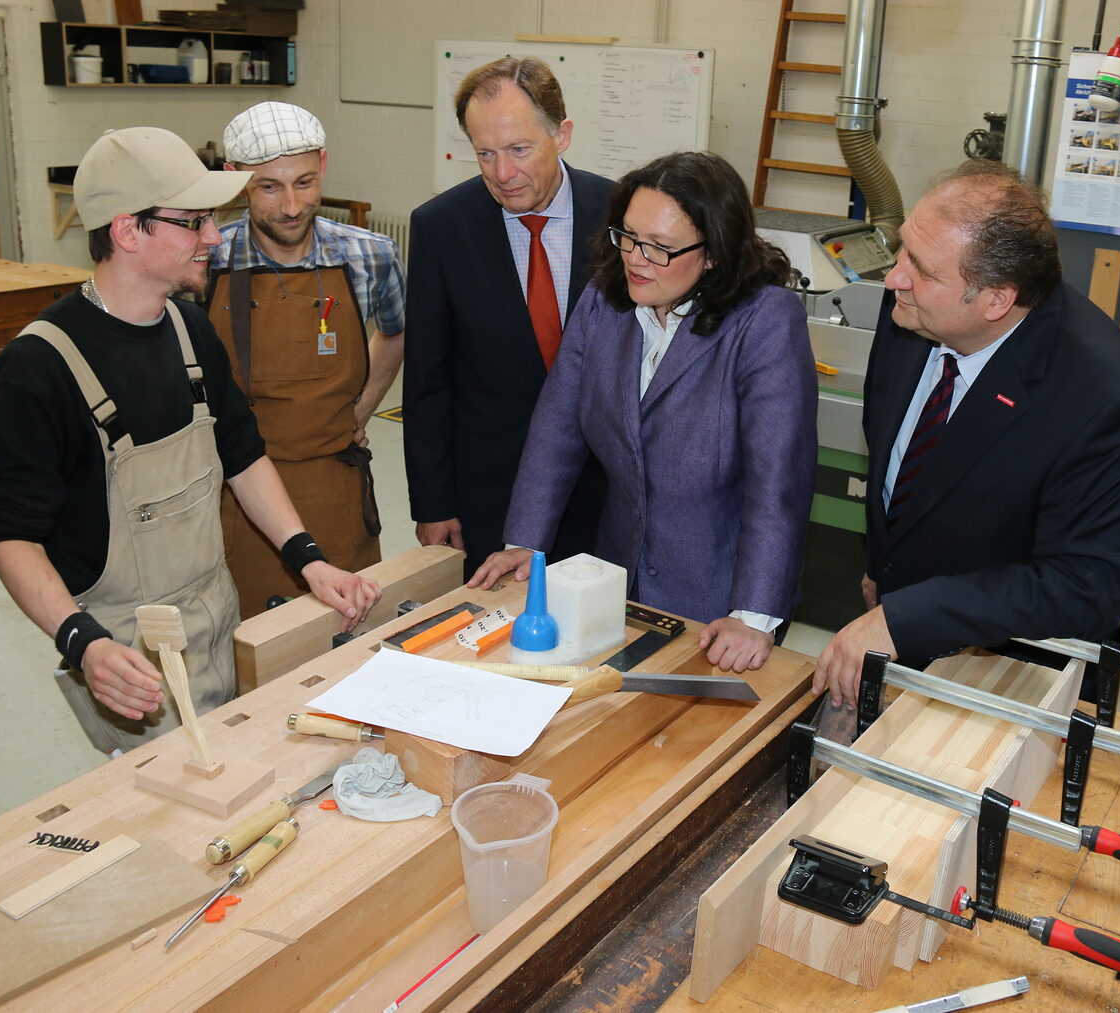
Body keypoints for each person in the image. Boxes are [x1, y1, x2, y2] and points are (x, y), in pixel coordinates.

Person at [0, 127, 379, 754]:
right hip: (130, 660)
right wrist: (82, 642)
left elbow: (242, 456)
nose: (214, 238)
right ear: (129, 231)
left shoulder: (189, 329)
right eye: (194, 222)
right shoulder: (39, 369)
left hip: (218, 615)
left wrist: (309, 560)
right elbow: (13, 537)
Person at [814, 158, 1120, 706]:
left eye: (922, 269)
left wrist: (911, 615)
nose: (893, 276)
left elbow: (1087, 587)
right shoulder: (910, 309)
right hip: (900, 629)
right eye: (902, 249)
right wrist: (884, 567)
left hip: (1011, 668)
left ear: (997, 299)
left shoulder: (1099, 397)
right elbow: (895, 452)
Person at [469, 151, 817, 673]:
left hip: (720, 595)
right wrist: (527, 544)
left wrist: (754, 614)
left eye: (660, 247)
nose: (636, 258)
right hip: (619, 576)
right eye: (629, 236)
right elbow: (558, 426)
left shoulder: (764, 321)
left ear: (715, 253)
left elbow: (778, 481)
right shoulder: (604, 302)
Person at [405, 57, 612, 578]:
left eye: (520, 149)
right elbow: (427, 381)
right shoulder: (441, 228)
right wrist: (433, 504)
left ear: (561, 135)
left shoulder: (620, 216)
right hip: (492, 495)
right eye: (485, 154)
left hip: (607, 492)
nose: (503, 173)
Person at [208, 102, 405, 618]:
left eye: (305, 181)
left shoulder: (370, 255)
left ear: (323, 163)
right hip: (236, 495)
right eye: (268, 187)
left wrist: (359, 413)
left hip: (335, 488)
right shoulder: (205, 261)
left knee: (347, 641)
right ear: (235, 180)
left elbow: (398, 331)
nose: (292, 206)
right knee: (246, 647)